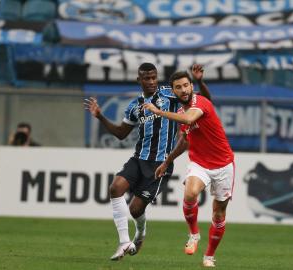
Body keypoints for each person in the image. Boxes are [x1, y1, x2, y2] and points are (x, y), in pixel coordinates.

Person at [84, 63, 211, 261]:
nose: (151, 82)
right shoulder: (134, 106)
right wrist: (100, 116)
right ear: (139, 80)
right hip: (139, 158)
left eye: (154, 78)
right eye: (147, 78)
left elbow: (204, 102)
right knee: (115, 188)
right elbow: (120, 133)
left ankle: (140, 234)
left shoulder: (170, 94)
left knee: (135, 209)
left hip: (161, 163)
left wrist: (200, 82)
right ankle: (124, 242)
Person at [142, 70, 235, 268]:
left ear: (192, 86)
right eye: (178, 87)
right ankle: (194, 234)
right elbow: (185, 141)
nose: (183, 90)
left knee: (219, 214)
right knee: (191, 192)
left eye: (186, 85)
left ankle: (209, 256)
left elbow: (188, 120)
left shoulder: (199, 103)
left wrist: (158, 112)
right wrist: (167, 162)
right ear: (173, 91)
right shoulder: (182, 112)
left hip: (224, 164)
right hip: (200, 163)